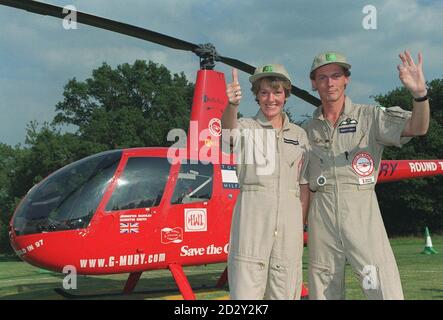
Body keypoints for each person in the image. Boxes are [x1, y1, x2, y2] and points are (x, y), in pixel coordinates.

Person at [303, 50, 430, 299]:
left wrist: (419, 95)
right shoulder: (306, 130)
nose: (330, 83)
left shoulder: (369, 117)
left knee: (380, 284)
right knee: (323, 288)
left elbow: (418, 127)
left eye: (336, 76)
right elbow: (303, 183)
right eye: (323, 77)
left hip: (361, 210)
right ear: (313, 83)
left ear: (346, 79)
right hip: (321, 214)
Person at [221, 64, 310, 299]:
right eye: (264, 93)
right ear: (257, 96)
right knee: (245, 290)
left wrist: (298, 225)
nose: (271, 99)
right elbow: (227, 135)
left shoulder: (299, 136)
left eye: (277, 92)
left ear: (286, 95)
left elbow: (303, 185)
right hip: (252, 221)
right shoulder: (246, 127)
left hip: (289, 226)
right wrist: (231, 106)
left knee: (285, 290)